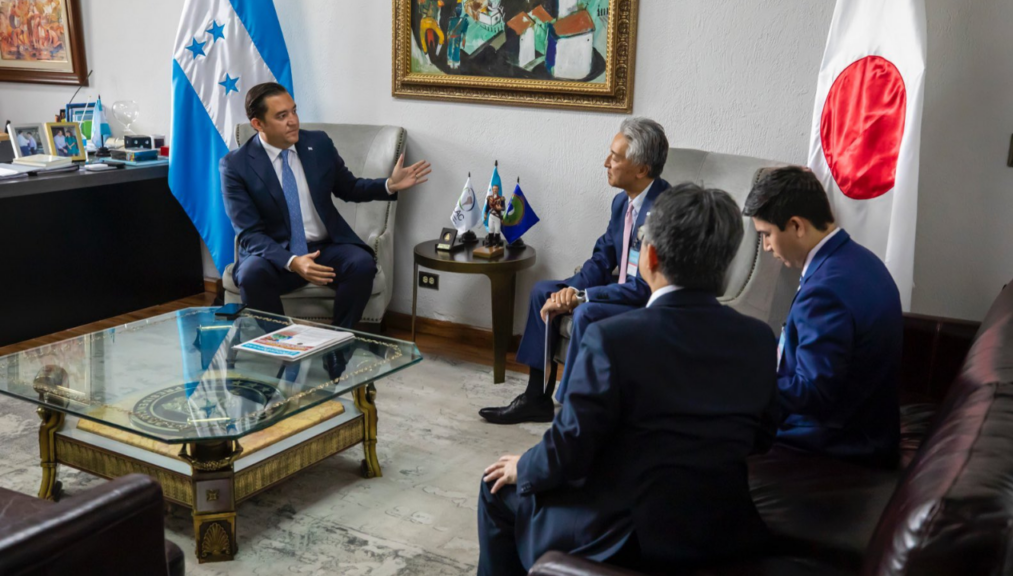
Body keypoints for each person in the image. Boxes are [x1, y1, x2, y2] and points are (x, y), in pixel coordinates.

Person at [476, 184, 779, 575]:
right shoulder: (758, 340)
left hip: (627, 538)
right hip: (723, 528)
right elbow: (763, 437)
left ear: (649, 257)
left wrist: (526, 466)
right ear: (724, 264)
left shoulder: (613, 340)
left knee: (496, 487)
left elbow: (570, 449)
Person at [479, 117, 670, 424]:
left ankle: (574, 410)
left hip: (645, 301)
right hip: (619, 288)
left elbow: (642, 288)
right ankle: (535, 397)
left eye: (615, 157)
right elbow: (601, 258)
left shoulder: (663, 211)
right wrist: (567, 292)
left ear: (642, 169)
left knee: (585, 313)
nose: (606, 162)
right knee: (544, 290)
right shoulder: (623, 203)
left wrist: (580, 297)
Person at [221, 82, 432, 328]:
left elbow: (349, 187)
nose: (293, 121)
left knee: (361, 264)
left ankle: (337, 344)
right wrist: (292, 261)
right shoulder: (236, 166)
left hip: (324, 248)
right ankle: (282, 347)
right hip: (274, 254)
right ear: (258, 124)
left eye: (293, 111)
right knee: (250, 275)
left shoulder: (317, 144)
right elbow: (250, 234)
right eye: (281, 116)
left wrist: (389, 185)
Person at [742, 167, 903, 468]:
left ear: (796, 226)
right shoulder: (859, 260)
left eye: (766, 235)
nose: (765, 247)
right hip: (869, 426)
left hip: (837, 441)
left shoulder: (825, 291)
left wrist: (746, 384)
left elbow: (814, 392)